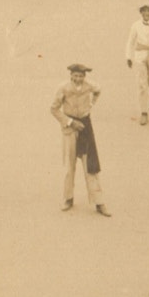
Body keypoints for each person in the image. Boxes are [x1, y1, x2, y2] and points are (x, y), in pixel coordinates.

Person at [51, 64, 109, 215]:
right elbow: (54, 109)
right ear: (71, 75)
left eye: (81, 76)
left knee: (90, 165)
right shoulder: (63, 88)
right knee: (70, 166)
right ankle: (68, 198)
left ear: (85, 76)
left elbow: (98, 91)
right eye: (75, 76)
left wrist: (91, 104)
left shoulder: (89, 86)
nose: (78, 79)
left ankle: (99, 202)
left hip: (85, 127)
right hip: (70, 129)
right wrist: (70, 122)